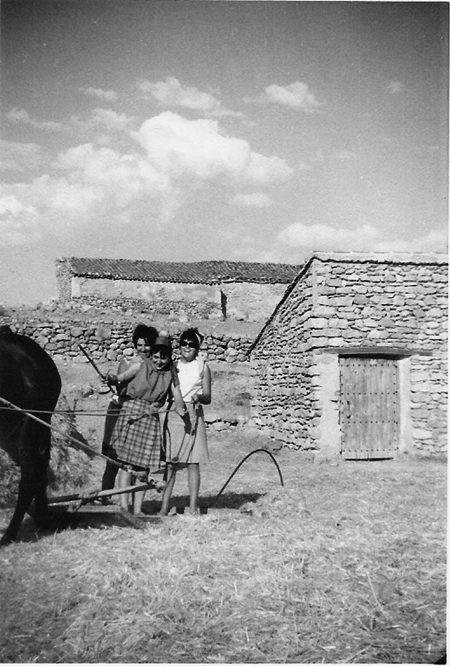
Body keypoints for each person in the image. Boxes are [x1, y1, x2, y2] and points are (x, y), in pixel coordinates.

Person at [107, 335, 186, 515]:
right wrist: (113, 379)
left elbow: (177, 395)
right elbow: (122, 377)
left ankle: (137, 510)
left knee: (142, 469)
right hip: (132, 413)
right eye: (156, 357)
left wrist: (181, 409)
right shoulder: (141, 364)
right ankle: (124, 507)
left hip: (150, 418)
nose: (159, 361)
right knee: (126, 466)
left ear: (169, 357)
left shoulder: (171, 373)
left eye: (163, 358)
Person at [160, 328, 211, 517]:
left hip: (194, 412)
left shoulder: (203, 367)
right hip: (175, 413)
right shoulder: (172, 366)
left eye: (192, 344)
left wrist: (199, 397)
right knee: (171, 464)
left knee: (193, 463)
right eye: (184, 343)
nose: (187, 347)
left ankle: (192, 508)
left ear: (197, 348)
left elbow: (208, 396)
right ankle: (164, 507)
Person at [100, 324, 158, 493]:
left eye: (147, 345)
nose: (143, 349)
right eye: (139, 345)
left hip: (138, 415)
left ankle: (130, 501)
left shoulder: (154, 366)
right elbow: (121, 388)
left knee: (135, 460)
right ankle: (106, 498)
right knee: (113, 459)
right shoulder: (126, 362)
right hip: (119, 411)